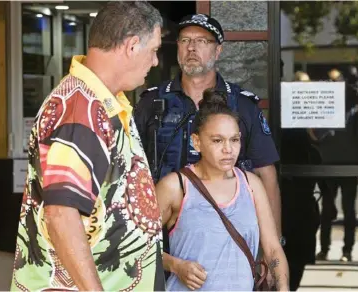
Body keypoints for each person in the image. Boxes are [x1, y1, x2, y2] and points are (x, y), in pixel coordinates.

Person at [10, 2, 165, 291]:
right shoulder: (81, 110)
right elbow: (62, 214)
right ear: (132, 46)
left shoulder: (101, 101)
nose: (155, 61)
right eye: (154, 50)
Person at [134, 13, 282, 238]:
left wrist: (273, 241)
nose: (192, 48)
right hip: (162, 234)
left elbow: (266, 174)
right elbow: (131, 170)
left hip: (230, 232)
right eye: (185, 41)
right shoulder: (152, 102)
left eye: (202, 41)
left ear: (218, 50)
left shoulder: (242, 105)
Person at [155, 89, 289, 291]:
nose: (228, 149)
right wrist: (175, 265)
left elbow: (272, 249)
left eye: (234, 140)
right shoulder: (176, 187)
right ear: (196, 142)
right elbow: (138, 247)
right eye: (217, 140)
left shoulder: (251, 185)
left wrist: (283, 288)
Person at [313, 69, 358, 262]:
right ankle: (325, 248)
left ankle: (347, 251)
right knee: (327, 209)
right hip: (329, 164)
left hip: (350, 164)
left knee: (348, 209)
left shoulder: (355, 111)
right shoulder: (323, 109)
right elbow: (316, 136)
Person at [282, 71, 320, 290]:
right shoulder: (284, 113)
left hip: (302, 197)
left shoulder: (307, 111)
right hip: (289, 194)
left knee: (297, 255)